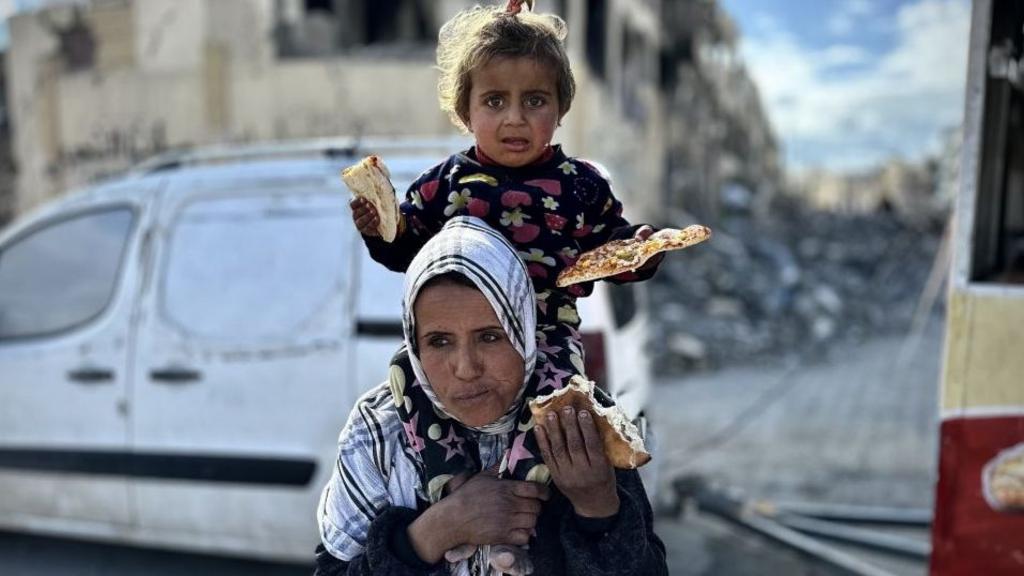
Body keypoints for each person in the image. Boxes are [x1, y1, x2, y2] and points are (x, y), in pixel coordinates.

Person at [349, 0, 663, 526]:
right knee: (406, 371)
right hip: (465, 332)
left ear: (561, 108)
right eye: (494, 100)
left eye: (534, 100)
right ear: (465, 110)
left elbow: (614, 247)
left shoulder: (581, 186)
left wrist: (645, 250)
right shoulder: (443, 184)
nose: (514, 118)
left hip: (548, 332)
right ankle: (450, 480)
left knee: (558, 404)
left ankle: (515, 497)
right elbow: (407, 252)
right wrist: (379, 230)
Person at [315, 217, 667, 575]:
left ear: (524, 331)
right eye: (439, 341)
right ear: (414, 342)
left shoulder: (578, 418)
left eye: (490, 336)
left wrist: (597, 507)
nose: (466, 368)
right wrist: (434, 532)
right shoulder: (380, 431)